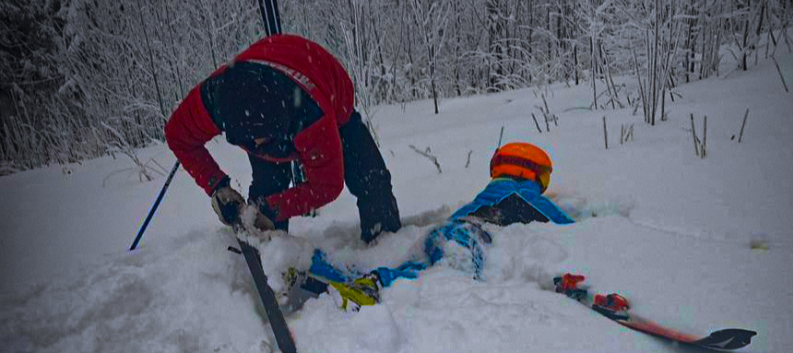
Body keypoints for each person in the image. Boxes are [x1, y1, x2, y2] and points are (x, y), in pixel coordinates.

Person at [164, 34, 401, 243]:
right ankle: (268, 258)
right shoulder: (216, 100)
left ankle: (386, 243)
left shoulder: (312, 115)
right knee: (266, 191)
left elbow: (327, 185)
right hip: (262, 97)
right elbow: (177, 136)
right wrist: (217, 186)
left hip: (330, 97)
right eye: (248, 140)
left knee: (369, 178)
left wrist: (276, 208)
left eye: (262, 138)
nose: (256, 145)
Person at [294, 142, 574, 307]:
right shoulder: (523, 195)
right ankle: (375, 285)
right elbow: (571, 228)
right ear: (531, 172)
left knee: (417, 271)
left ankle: (318, 265)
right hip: (467, 238)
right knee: (447, 281)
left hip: (444, 233)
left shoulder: (483, 198)